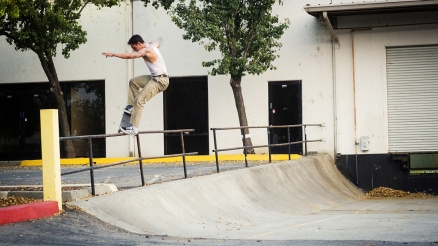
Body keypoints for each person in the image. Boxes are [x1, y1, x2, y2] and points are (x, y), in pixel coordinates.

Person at [102, 34, 169, 136]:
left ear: (138, 43)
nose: (135, 51)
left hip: (160, 81)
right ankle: (133, 107)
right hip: (154, 78)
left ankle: (134, 129)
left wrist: (113, 54)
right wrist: (155, 42)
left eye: (134, 48)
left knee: (140, 100)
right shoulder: (151, 46)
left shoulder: (145, 50)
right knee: (133, 82)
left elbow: (132, 56)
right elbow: (157, 43)